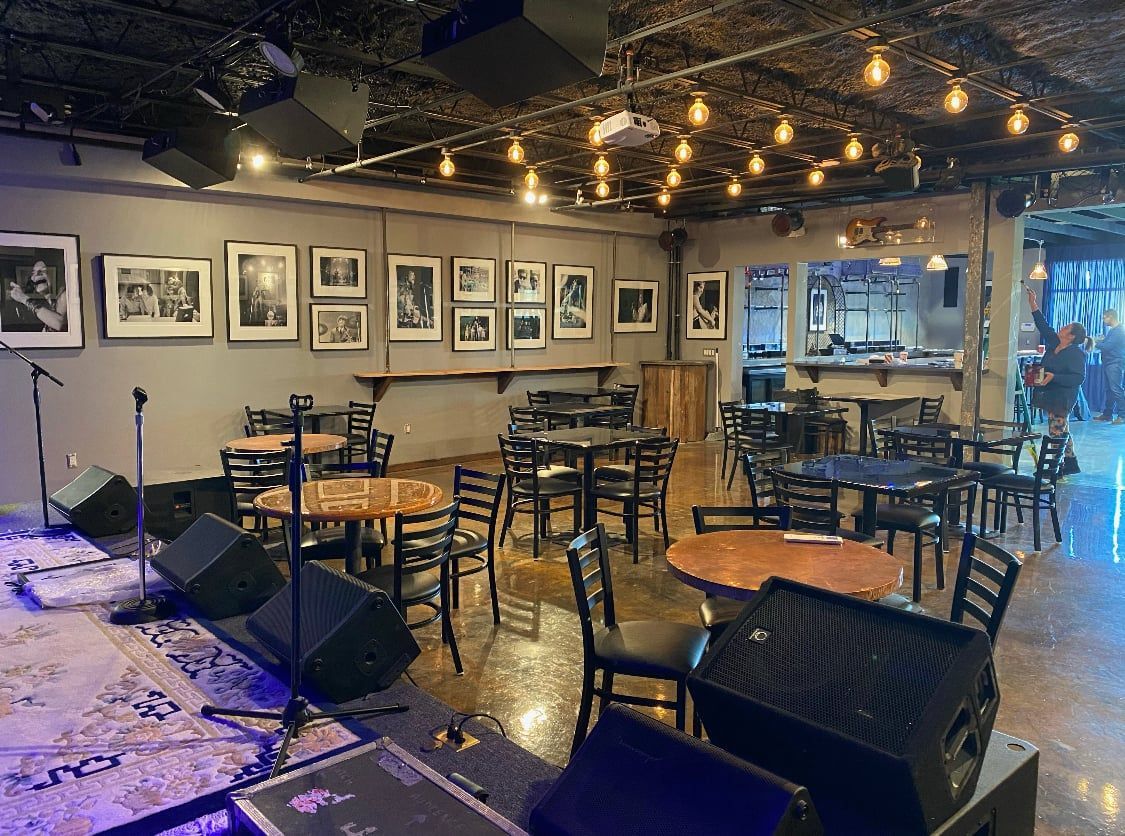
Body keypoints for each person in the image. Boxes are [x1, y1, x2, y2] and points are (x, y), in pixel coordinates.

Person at [1026, 285, 1091, 475]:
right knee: (1061, 429)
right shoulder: (1055, 343)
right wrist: (1033, 304)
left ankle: (1055, 467)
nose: (1061, 327)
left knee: (1056, 430)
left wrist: (1055, 376)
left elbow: (1078, 377)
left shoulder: (1075, 354)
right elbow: (1043, 326)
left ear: (1071, 336)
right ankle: (1070, 463)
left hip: (1063, 396)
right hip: (1051, 393)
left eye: (1066, 327)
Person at [8, 260, 68, 332]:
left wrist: (24, 298)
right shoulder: (46, 304)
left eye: (43, 271)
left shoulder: (64, 295)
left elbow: (58, 324)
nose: (37, 275)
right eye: (33, 273)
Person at [1095, 309, 1125, 423]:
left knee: (1116, 389)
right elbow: (1108, 344)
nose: (1103, 320)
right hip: (1110, 363)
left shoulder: (1119, 331)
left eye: (1104, 317)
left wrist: (1095, 342)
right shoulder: (1113, 331)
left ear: (1111, 317)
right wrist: (1102, 341)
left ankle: (1122, 416)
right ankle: (1108, 414)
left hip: (1115, 363)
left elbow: (1107, 346)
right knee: (1110, 390)